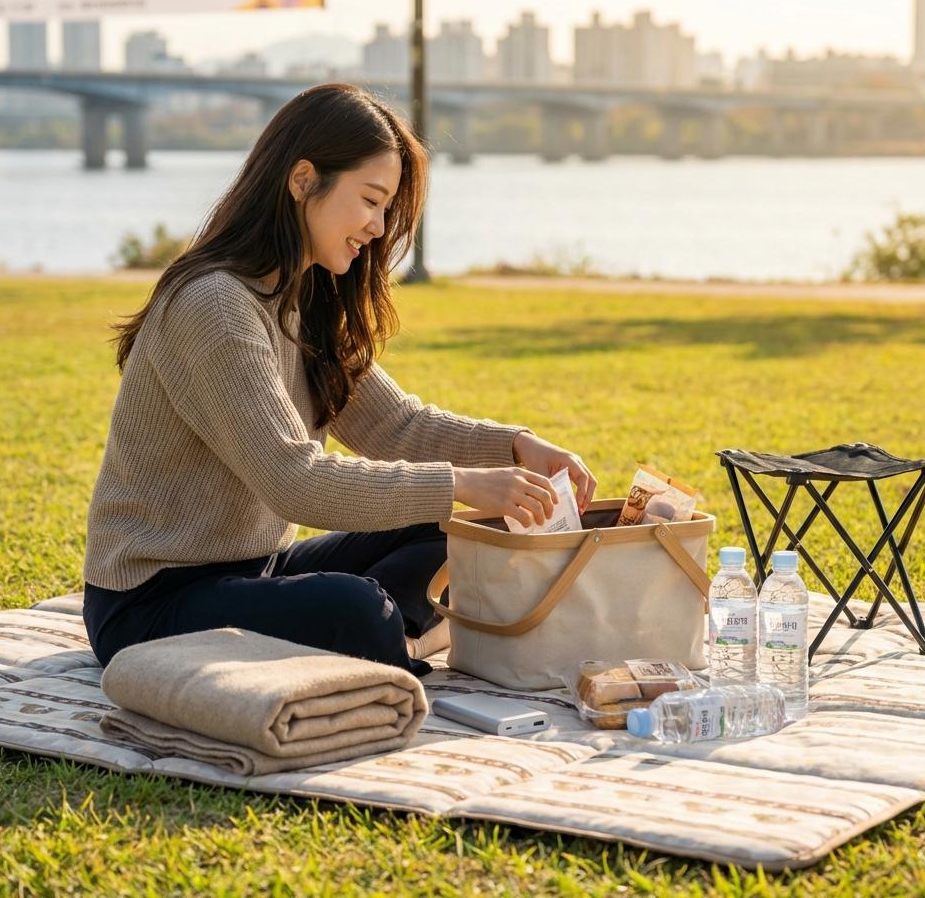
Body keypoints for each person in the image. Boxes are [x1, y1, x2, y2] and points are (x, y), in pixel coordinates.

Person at [82, 83, 597, 677]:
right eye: (371, 200)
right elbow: (294, 480)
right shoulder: (215, 305)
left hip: (257, 569)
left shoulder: (304, 297)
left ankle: (382, 640)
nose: (379, 228)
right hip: (150, 603)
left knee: (455, 533)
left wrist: (515, 446)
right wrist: (466, 481)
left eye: (387, 209)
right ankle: (387, 637)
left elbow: (395, 425)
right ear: (303, 180)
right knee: (357, 608)